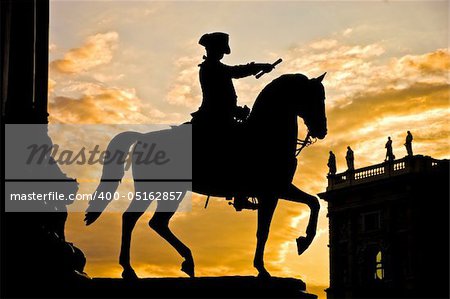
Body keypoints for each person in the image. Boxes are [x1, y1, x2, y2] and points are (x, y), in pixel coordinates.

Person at [192, 32, 274, 211]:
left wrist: (235, 110)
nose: (222, 53)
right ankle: (240, 193)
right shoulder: (211, 67)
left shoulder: (215, 67)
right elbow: (234, 74)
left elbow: (222, 95)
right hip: (214, 118)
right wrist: (260, 66)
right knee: (242, 145)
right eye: (220, 50)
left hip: (221, 115)